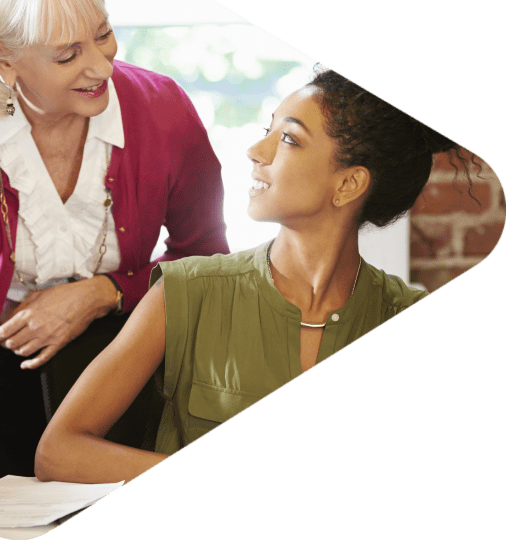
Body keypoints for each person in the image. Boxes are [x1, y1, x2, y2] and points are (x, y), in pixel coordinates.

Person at [34, 69, 475, 485]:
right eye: (269, 132)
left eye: (288, 139)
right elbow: (58, 452)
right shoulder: (186, 291)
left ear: (348, 185)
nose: (256, 152)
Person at [0, 0, 229, 485]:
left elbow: (208, 264)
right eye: (67, 55)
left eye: (103, 35)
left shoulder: (164, 111)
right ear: (1, 60)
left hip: (119, 356)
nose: (100, 67)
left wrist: (107, 292)